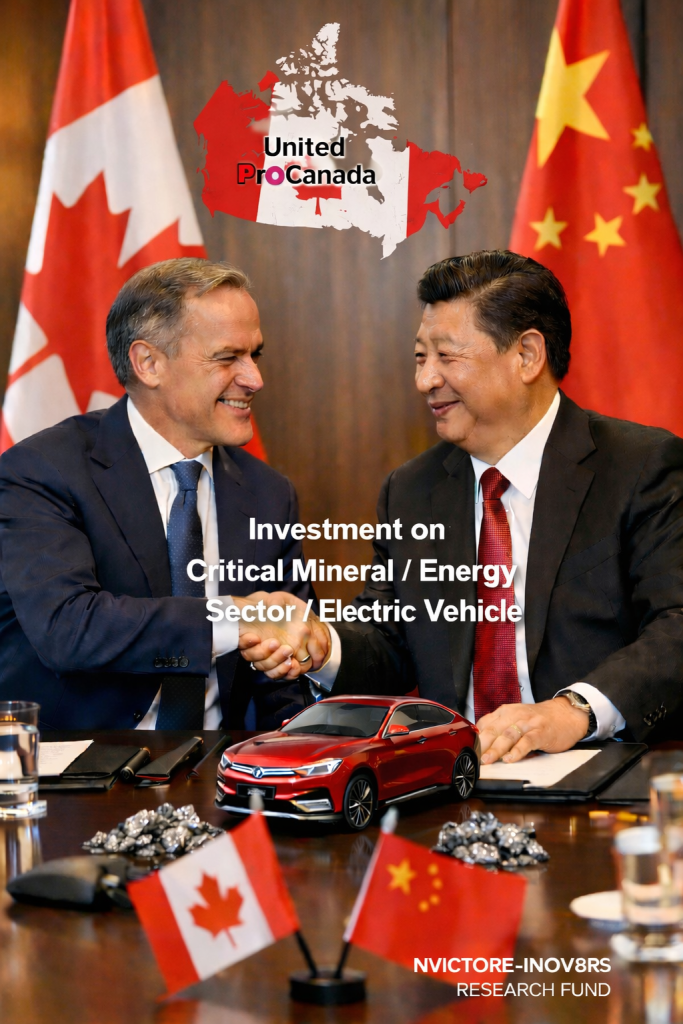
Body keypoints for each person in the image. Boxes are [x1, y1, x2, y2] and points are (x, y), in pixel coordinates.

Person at [247, 250, 683, 762]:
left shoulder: (640, 466)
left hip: (603, 776)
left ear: (526, 355)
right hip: (454, 784)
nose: (425, 380)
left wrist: (572, 711)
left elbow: (675, 624)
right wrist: (323, 645)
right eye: (418, 357)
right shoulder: (411, 491)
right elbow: (389, 640)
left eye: (446, 356)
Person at [0, 258, 329, 731]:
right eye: (227, 357)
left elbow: (283, 677)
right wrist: (235, 619)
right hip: (80, 781)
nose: (254, 378)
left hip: (221, 777)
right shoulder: (43, 471)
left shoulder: (267, 494)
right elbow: (69, 629)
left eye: (255, 355)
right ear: (149, 363)